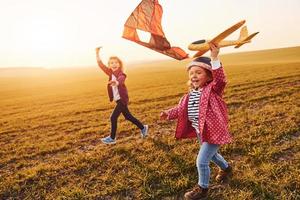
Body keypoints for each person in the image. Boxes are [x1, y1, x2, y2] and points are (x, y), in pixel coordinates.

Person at [160, 43, 232, 199]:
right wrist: (168, 113)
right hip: (201, 131)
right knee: (212, 156)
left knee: (201, 161)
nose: (193, 75)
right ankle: (226, 168)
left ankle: (202, 188)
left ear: (208, 75)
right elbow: (181, 110)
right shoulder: (190, 94)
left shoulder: (212, 90)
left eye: (198, 72)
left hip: (213, 130)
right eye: (191, 73)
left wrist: (214, 57)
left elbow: (221, 80)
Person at [95, 47, 148, 144]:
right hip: (118, 100)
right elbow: (101, 65)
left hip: (122, 100)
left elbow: (121, 79)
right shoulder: (110, 73)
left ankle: (112, 138)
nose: (114, 64)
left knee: (113, 117)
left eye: (115, 62)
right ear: (109, 65)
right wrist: (97, 53)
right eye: (111, 63)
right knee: (128, 116)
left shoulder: (121, 73)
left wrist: (116, 83)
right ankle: (143, 127)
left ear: (119, 64)